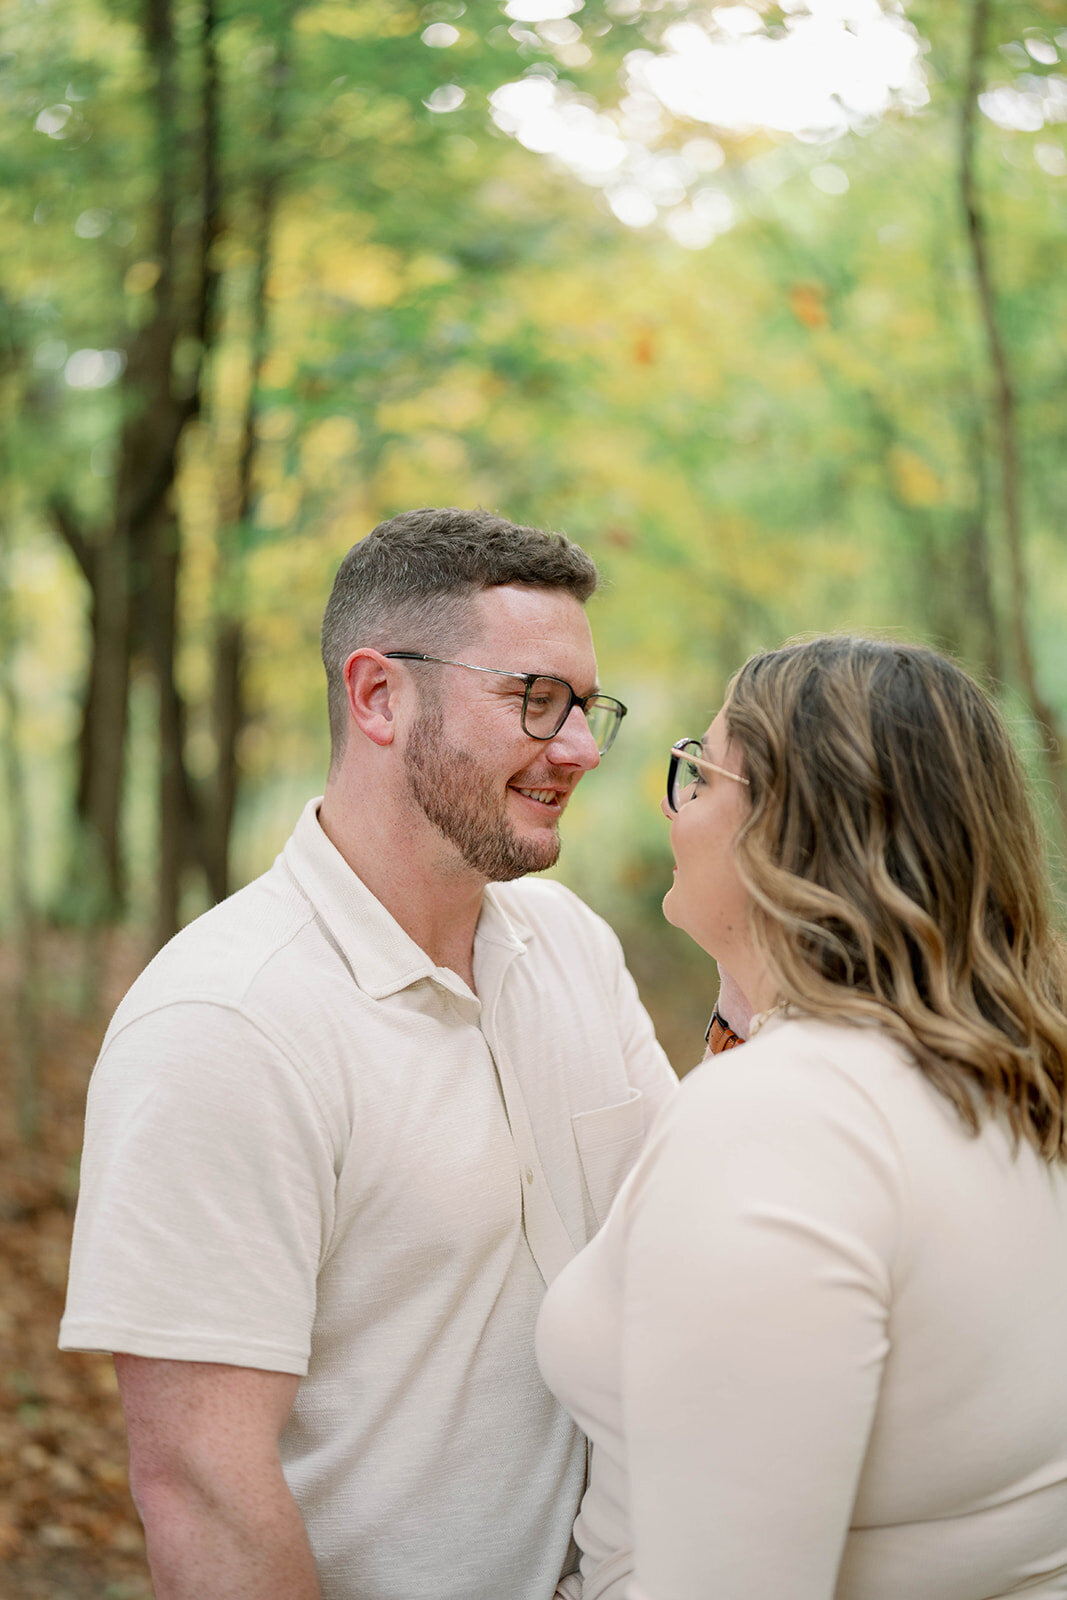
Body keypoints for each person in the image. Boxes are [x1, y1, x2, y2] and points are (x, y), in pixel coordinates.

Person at [59, 507, 678, 1600]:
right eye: (535, 699)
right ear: (378, 694)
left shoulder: (572, 946)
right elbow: (202, 1485)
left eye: (586, 707)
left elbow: (683, 1241)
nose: (578, 745)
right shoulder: (225, 1023)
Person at [536, 635, 1067, 1600]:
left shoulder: (780, 1123)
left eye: (696, 773)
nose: (671, 806)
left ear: (787, 828)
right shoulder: (1013, 1079)